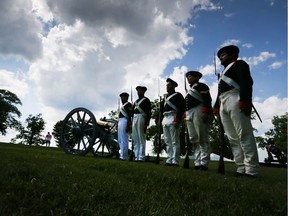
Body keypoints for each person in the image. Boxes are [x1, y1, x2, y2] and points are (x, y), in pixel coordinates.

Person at [214, 45, 259, 177]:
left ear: (233, 55)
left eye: (224, 54)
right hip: (223, 101)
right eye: (220, 56)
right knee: (233, 138)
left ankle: (252, 169)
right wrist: (216, 107)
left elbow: (246, 82)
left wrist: (245, 100)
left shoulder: (240, 64)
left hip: (235, 97)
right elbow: (219, 92)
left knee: (244, 134)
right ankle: (241, 167)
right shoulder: (222, 74)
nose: (221, 57)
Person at [185, 71, 212, 170]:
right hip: (190, 113)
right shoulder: (189, 91)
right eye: (188, 76)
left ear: (196, 77)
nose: (188, 78)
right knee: (194, 139)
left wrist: (205, 112)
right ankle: (197, 162)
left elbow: (208, 99)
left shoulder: (201, 86)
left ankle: (204, 163)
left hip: (199, 110)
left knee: (202, 138)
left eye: (190, 76)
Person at [160, 78, 185, 166]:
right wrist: (159, 119)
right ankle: (169, 159)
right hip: (165, 117)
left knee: (175, 141)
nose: (167, 87)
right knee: (167, 141)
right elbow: (161, 109)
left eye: (169, 85)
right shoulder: (165, 97)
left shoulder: (178, 95)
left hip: (173, 116)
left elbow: (182, 108)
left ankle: (175, 160)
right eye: (167, 85)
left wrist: (178, 119)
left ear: (174, 86)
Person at [132, 86, 151, 162]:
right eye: (138, 91)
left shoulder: (146, 100)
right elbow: (132, 112)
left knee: (141, 138)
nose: (138, 92)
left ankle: (141, 157)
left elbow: (149, 113)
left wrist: (146, 123)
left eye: (140, 91)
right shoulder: (136, 101)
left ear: (143, 92)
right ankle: (136, 156)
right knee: (136, 138)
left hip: (142, 117)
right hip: (135, 118)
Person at [118, 92, 133, 160]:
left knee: (124, 139)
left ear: (126, 98)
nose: (122, 99)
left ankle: (123, 156)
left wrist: (129, 123)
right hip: (121, 121)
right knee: (120, 139)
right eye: (121, 97)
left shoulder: (128, 104)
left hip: (125, 121)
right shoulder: (123, 105)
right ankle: (121, 154)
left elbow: (130, 114)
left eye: (123, 97)